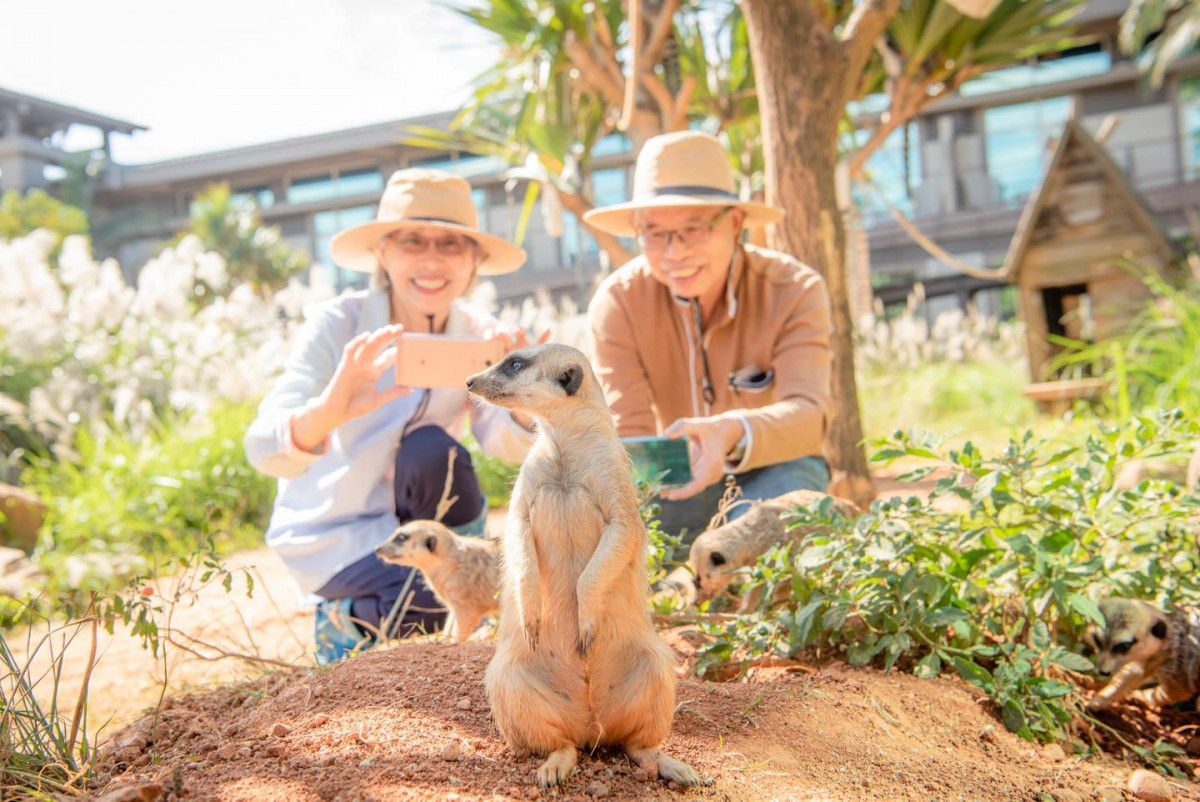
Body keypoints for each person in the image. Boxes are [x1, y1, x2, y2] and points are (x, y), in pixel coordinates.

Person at [245, 169, 537, 664]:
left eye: (451, 244)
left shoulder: (484, 337)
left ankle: (386, 610)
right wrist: (329, 411)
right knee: (436, 604)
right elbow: (262, 447)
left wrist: (526, 400)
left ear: (474, 261)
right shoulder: (338, 325)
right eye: (411, 241)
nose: (431, 259)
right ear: (383, 252)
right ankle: (347, 617)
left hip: (430, 526)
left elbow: (502, 443)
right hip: (338, 533)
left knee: (434, 451)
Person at [584, 131, 833, 543]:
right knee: (605, 530)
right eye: (655, 234)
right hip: (674, 476)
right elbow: (629, 434)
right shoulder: (618, 302)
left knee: (784, 514)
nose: (674, 252)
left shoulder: (794, 288)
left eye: (694, 229)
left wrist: (732, 430)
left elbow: (811, 418)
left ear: (735, 224)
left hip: (777, 466)